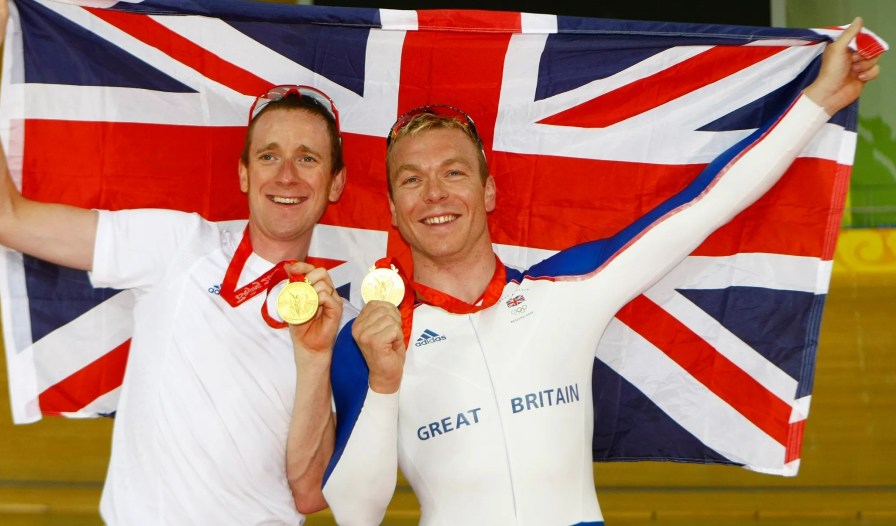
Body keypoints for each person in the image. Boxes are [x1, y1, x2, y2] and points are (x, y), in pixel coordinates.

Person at [318, 19, 882, 526]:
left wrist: (818, 101)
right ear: (392, 209)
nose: (435, 193)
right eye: (411, 180)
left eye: (454, 172)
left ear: (488, 191)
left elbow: (703, 206)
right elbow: (355, 511)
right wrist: (385, 383)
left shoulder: (565, 293)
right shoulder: (370, 337)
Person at [0, 0, 350, 524]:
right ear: (244, 175)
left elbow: (309, 493)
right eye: (269, 155)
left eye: (308, 158)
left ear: (336, 183)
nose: (287, 176)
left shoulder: (346, 319)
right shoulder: (178, 245)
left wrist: (316, 360)